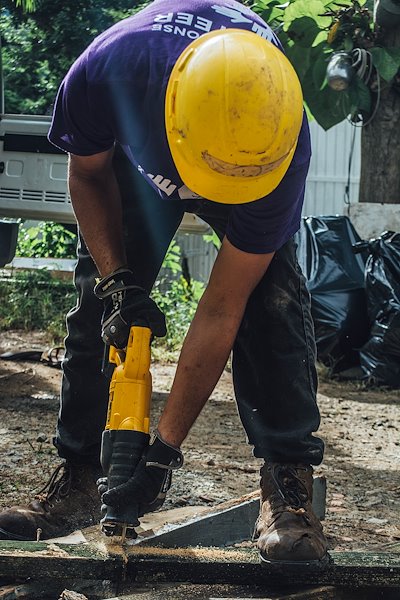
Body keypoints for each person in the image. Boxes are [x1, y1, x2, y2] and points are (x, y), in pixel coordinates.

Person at [0, 0, 328, 568]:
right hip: (140, 152)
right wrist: (117, 284)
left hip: (248, 160)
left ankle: (287, 487)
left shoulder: (278, 133)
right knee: (94, 311)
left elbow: (223, 306)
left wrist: (161, 454)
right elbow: (88, 173)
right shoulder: (108, 72)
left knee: (272, 306)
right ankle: (80, 474)